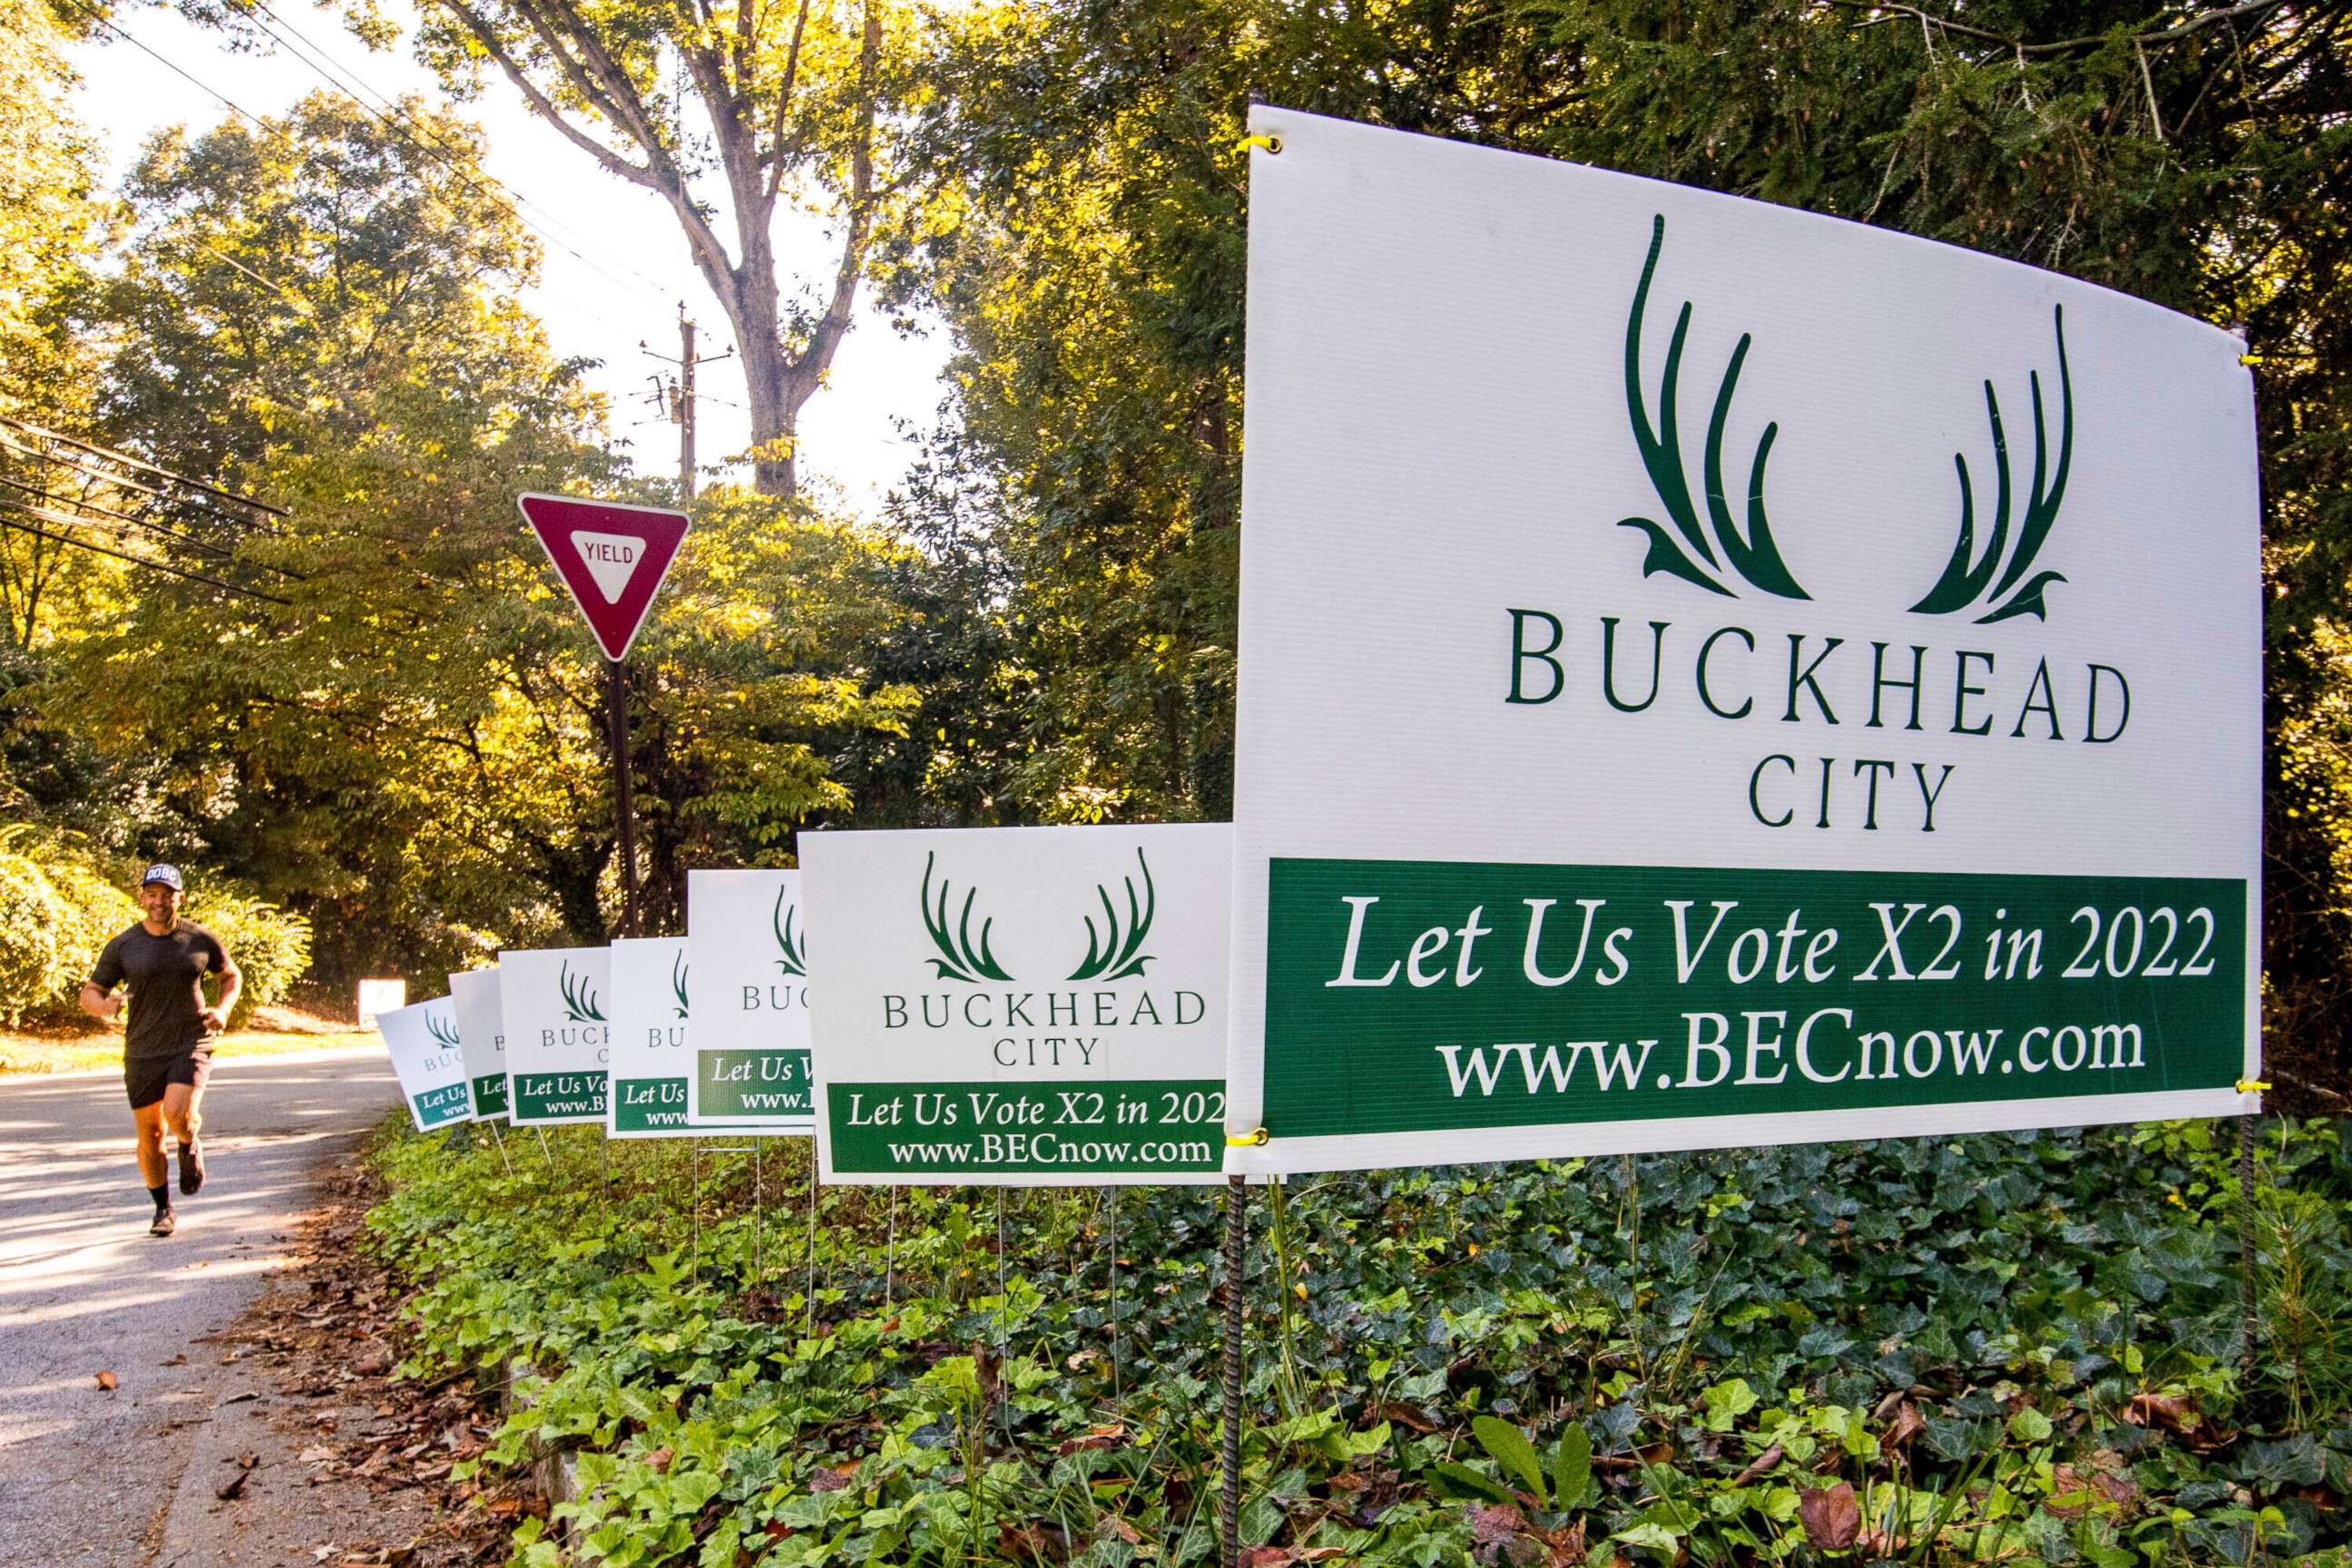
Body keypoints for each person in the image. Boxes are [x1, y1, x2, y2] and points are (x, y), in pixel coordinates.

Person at [79, 865, 240, 1238]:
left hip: (191, 1041)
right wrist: (104, 1007)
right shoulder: (124, 945)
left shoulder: (199, 939)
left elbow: (230, 975)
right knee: (150, 1135)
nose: (158, 901)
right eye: (151, 893)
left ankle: (188, 1141)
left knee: (178, 1113)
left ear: (179, 898)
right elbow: (90, 992)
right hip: (142, 1049)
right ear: (142, 897)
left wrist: (223, 1009)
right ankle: (163, 1209)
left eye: (166, 894)